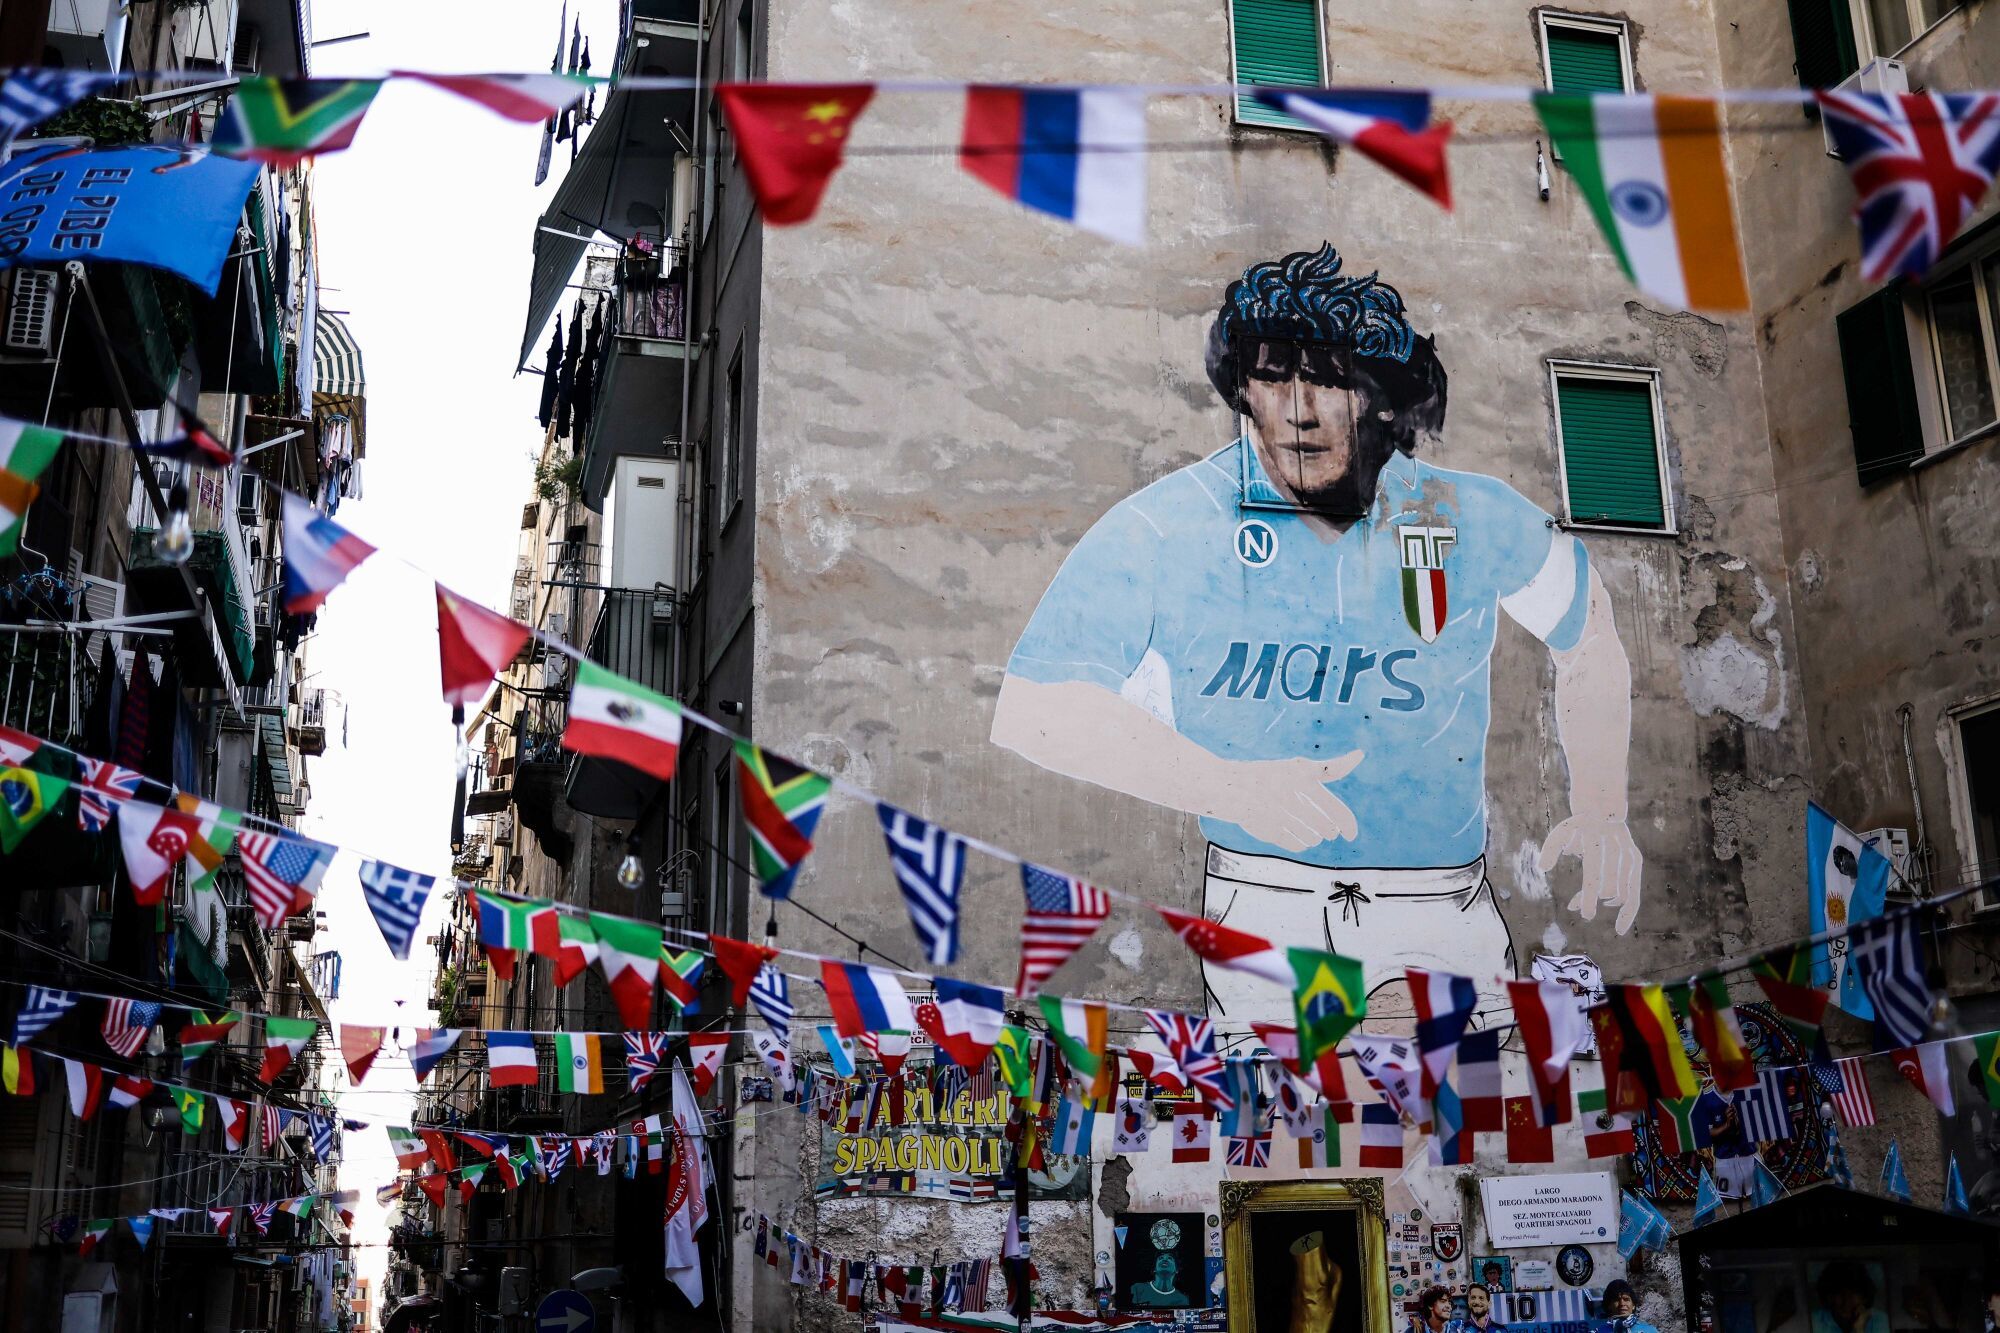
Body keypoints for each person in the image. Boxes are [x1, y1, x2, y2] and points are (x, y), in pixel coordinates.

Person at [993, 243, 1640, 1023]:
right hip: (1264, 898)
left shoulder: (1470, 513)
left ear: (1376, 395)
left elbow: (1589, 629)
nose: (1300, 408)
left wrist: (1602, 806)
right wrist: (1225, 785)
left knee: (1453, 1130)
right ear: (1241, 391)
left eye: (1329, 378)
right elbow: (1034, 703)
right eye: (1272, 376)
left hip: (1435, 895)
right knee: (1289, 1134)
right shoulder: (1166, 525)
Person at [1810, 1261, 1890, 1333]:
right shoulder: (1814, 1322)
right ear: (1829, 1296)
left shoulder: (1881, 1321)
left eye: (1853, 1293)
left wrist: (1859, 1329)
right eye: (1839, 1293)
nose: (1846, 1302)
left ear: (1864, 1297)